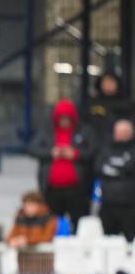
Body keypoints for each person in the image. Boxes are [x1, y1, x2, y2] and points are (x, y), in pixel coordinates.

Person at [28, 99, 94, 231]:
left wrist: (75, 154)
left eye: (67, 118)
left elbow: (93, 151)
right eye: (61, 118)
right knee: (51, 225)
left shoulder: (84, 130)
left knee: (78, 224)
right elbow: (32, 148)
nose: (64, 121)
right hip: (52, 189)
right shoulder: (47, 131)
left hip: (77, 189)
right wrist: (51, 152)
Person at [95, 119, 135, 241]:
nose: (120, 135)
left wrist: (113, 168)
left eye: (123, 132)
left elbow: (130, 167)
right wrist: (121, 169)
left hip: (129, 204)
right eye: (118, 132)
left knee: (130, 240)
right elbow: (98, 167)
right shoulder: (106, 148)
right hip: (108, 202)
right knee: (108, 241)